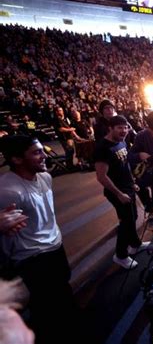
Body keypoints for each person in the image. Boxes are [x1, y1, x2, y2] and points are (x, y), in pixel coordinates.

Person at [0, 135, 78, 343]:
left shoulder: (45, 177)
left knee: (63, 293)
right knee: (46, 309)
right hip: (32, 256)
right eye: (36, 152)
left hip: (55, 245)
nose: (45, 155)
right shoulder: (8, 191)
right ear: (16, 159)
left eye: (42, 150)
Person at [94, 115, 148, 269]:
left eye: (125, 127)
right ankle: (120, 255)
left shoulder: (121, 142)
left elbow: (125, 165)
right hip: (116, 191)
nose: (124, 131)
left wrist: (132, 182)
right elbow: (101, 176)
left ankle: (135, 244)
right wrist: (119, 194)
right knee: (126, 222)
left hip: (128, 187)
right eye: (119, 128)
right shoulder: (103, 148)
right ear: (110, 128)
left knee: (134, 217)